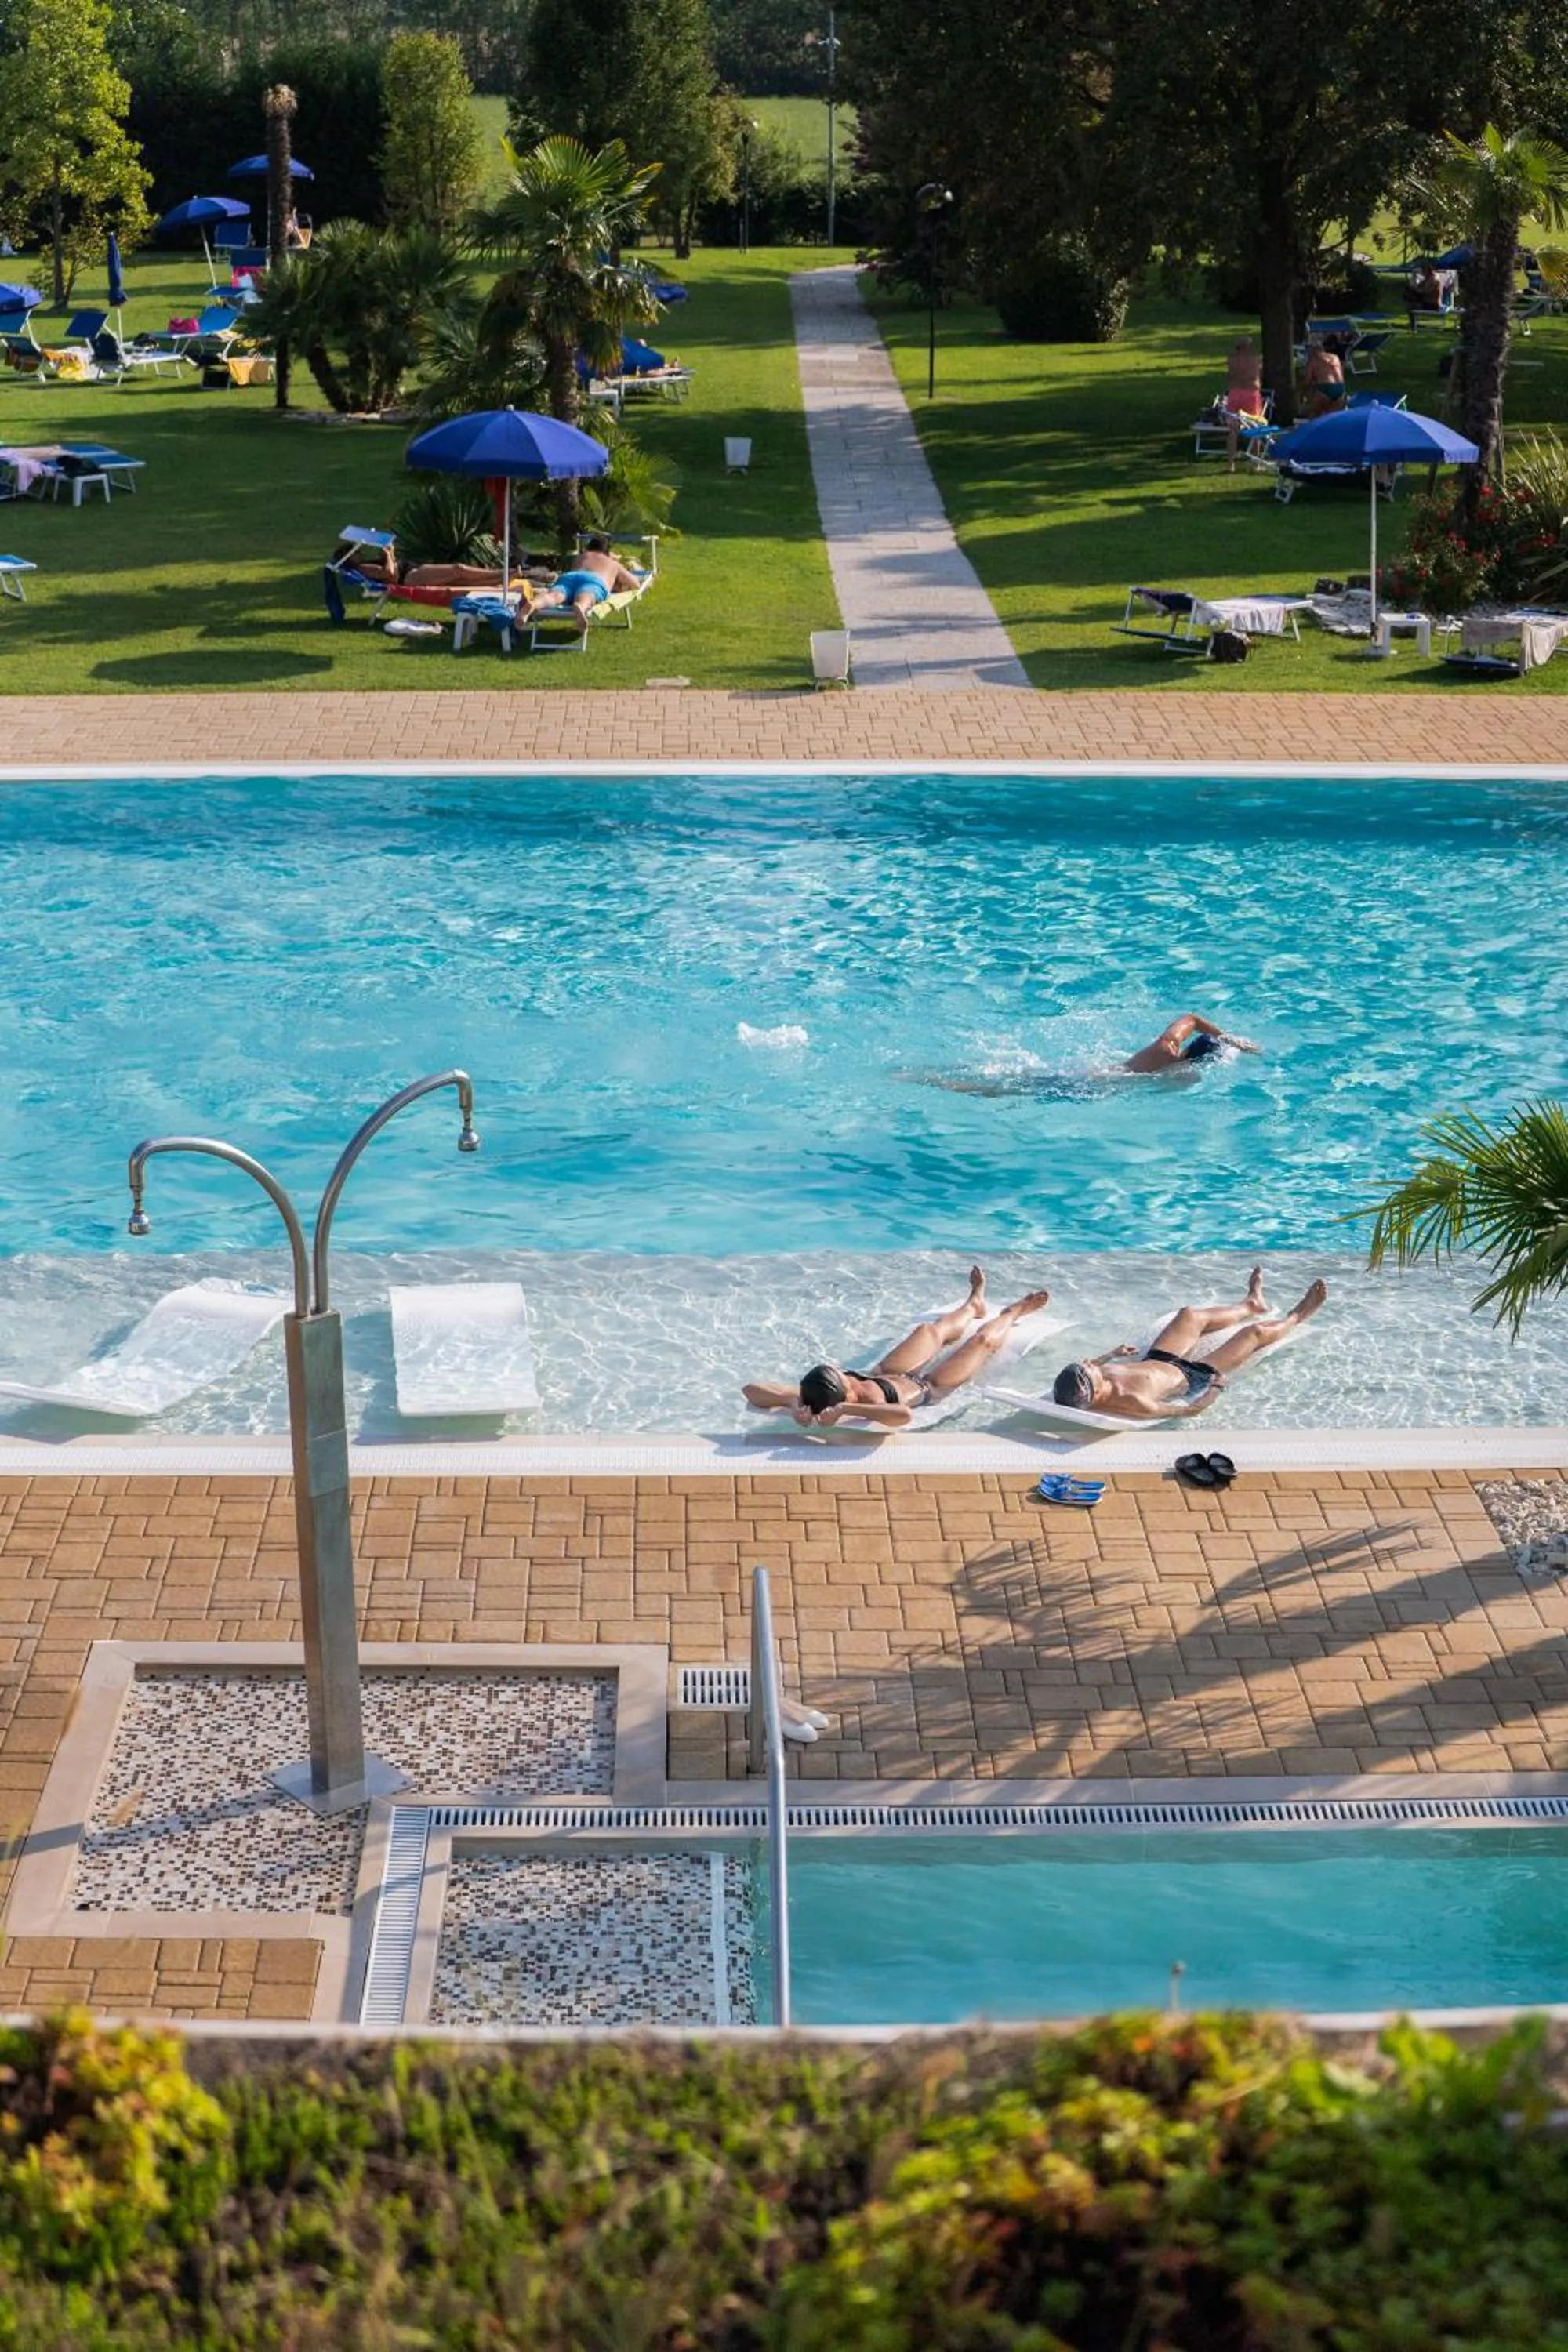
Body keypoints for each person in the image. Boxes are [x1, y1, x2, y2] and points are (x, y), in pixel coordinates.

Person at [742, 1267, 1052, 1428]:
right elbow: (903, 1415)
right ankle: (1015, 1312)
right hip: (929, 1387)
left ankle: (974, 1303)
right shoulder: (844, 1405)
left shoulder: (813, 1394)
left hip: (887, 1372)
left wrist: (795, 1404)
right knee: (982, 1342)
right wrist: (846, 1410)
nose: (845, 1373)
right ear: (845, 1395)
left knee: (929, 1330)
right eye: (844, 1379)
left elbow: (750, 1389)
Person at [1051, 1271, 1327, 1423]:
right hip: (1193, 1375)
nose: (1087, 1363)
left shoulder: (1095, 1378)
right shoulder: (1132, 1402)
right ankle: (1299, 1315)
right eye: (1086, 1370)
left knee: (1189, 1314)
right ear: (1095, 1391)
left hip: (1159, 1358)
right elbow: (1188, 1411)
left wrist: (1112, 1355)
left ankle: (1250, 1304)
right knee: (1253, 1333)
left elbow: (1092, 1366)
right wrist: (1217, 1387)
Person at [543, 534, 645, 632]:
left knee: (557, 594)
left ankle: (536, 603)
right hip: (593, 581)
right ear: (607, 552)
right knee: (588, 593)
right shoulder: (612, 563)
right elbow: (635, 584)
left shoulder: (581, 557)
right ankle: (581, 606)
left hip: (570, 578)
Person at [1121, 1014, 1260, 1073]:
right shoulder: (1183, 1080)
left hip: (1111, 1076)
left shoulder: (1166, 1045)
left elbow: (1191, 1018)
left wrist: (1227, 1037)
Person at [1224, 336, 1266, 472]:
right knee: (1255, 427)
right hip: (1251, 393)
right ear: (1247, 347)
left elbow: (1229, 376)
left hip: (1235, 393)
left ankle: (1231, 464)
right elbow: (1261, 374)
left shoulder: (1231, 359)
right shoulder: (1256, 359)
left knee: (1233, 430)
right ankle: (1256, 464)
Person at [1303, 336, 1345, 418]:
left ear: (1312, 351)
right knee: (1332, 418)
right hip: (1340, 388)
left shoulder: (1313, 360)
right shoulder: (1335, 357)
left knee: (1314, 415)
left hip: (1325, 388)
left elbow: (1307, 381)